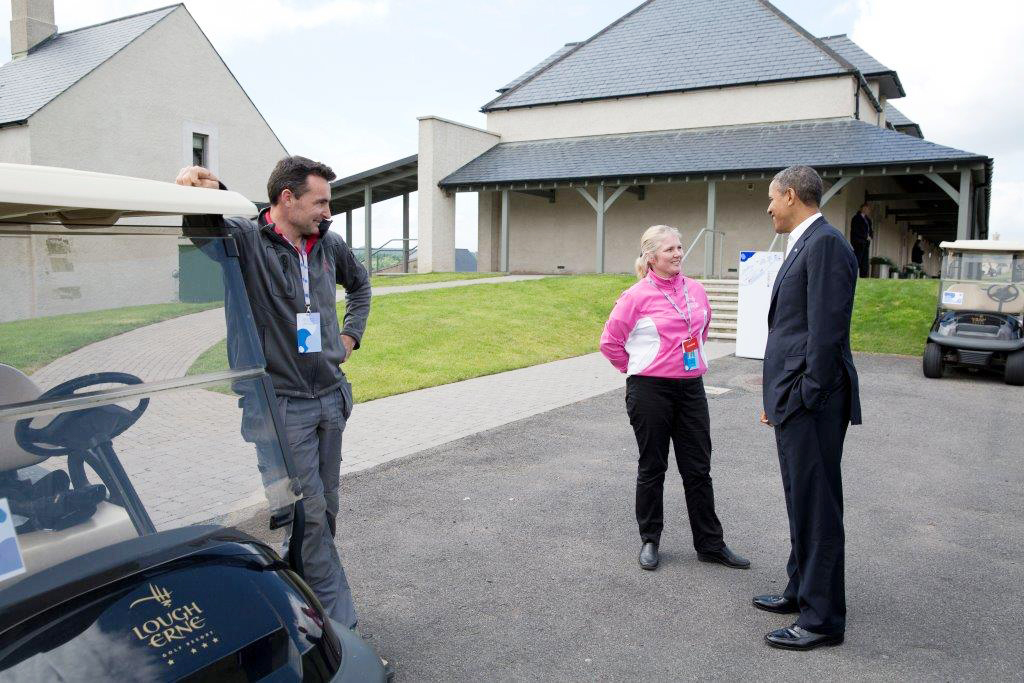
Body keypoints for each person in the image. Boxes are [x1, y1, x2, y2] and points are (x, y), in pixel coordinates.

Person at [175, 157, 371, 630]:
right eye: (320, 201)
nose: (329, 211)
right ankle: (339, 629)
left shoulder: (328, 245)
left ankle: (295, 602)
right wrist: (203, 186)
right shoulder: (246, 242)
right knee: (309, 516)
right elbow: (207, 224)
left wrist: (349, 337)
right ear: (287, 198)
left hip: (329, 396)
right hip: (280, 407)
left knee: (322, 511)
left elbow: (361, 286)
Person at [600, 225, 749, 572]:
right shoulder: (635, 296)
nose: (679, 253)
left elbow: (702, 328)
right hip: (650, 390)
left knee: (699, 469)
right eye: (670, 249)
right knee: (653, 466)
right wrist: (639, 368)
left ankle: (710, 544)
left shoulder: (696, 290)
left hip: (691, 388)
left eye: (680, 247)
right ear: (651, 258)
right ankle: (650, 539)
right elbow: (609, 343)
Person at [757, 165, 861, 650]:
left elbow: (825, 333)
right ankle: (801, 590)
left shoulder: (826, 245)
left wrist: (802, 396)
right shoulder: (805, 241)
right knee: (801, 499)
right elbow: (793, 331)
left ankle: (821, 620)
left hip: (812, 404)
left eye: (773, 199)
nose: (770, 207)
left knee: (817, 508)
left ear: (792, 195)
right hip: (794, 401)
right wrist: (776, 398)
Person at [850, 202, 873, 278]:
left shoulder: (868, 220)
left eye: (868, 209)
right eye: (865, 208)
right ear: (861, 209)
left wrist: (870, 236)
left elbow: (870, 230)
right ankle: (853, 275)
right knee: (857, 259)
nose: (867, 210)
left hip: (866, 243)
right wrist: (865, 237)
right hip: (858, 242)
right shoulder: (856, 218)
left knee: (865, 261)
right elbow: (855, 231)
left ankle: (864, 276)